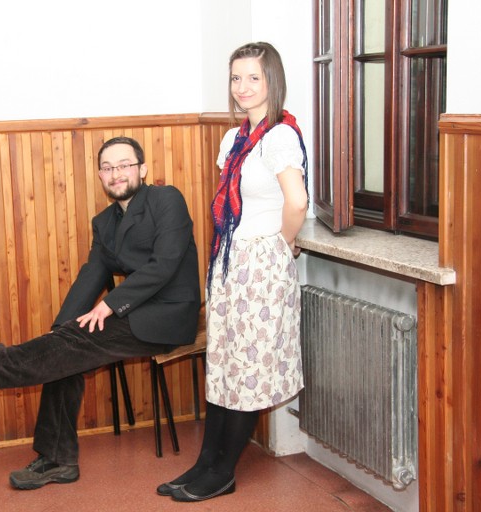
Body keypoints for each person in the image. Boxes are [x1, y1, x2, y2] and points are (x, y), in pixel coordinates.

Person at [0, 136, 201, 490]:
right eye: (108, 168)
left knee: (69, 345)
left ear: (142, 169)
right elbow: (90, 275)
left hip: (170, 315)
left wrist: (109, 304)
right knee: (64, 348)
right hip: (132, 313)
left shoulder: (166, 199)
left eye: (124, 165)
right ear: (100, 176)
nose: (116, 173)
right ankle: (58, 460)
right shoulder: (104, 223)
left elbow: (165, 264)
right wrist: (60, 328)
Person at [158, 42, 309, 502]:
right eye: (236, 78)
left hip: (260, 264)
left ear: (272, 81)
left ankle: (223, 472)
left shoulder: (279, 136)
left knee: (249, 368)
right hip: (230, 261)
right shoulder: (234, 138)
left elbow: (297, 202)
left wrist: (282, 244)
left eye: (253, 78)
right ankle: (205, 463)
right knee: (224, 364)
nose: (242, 87)